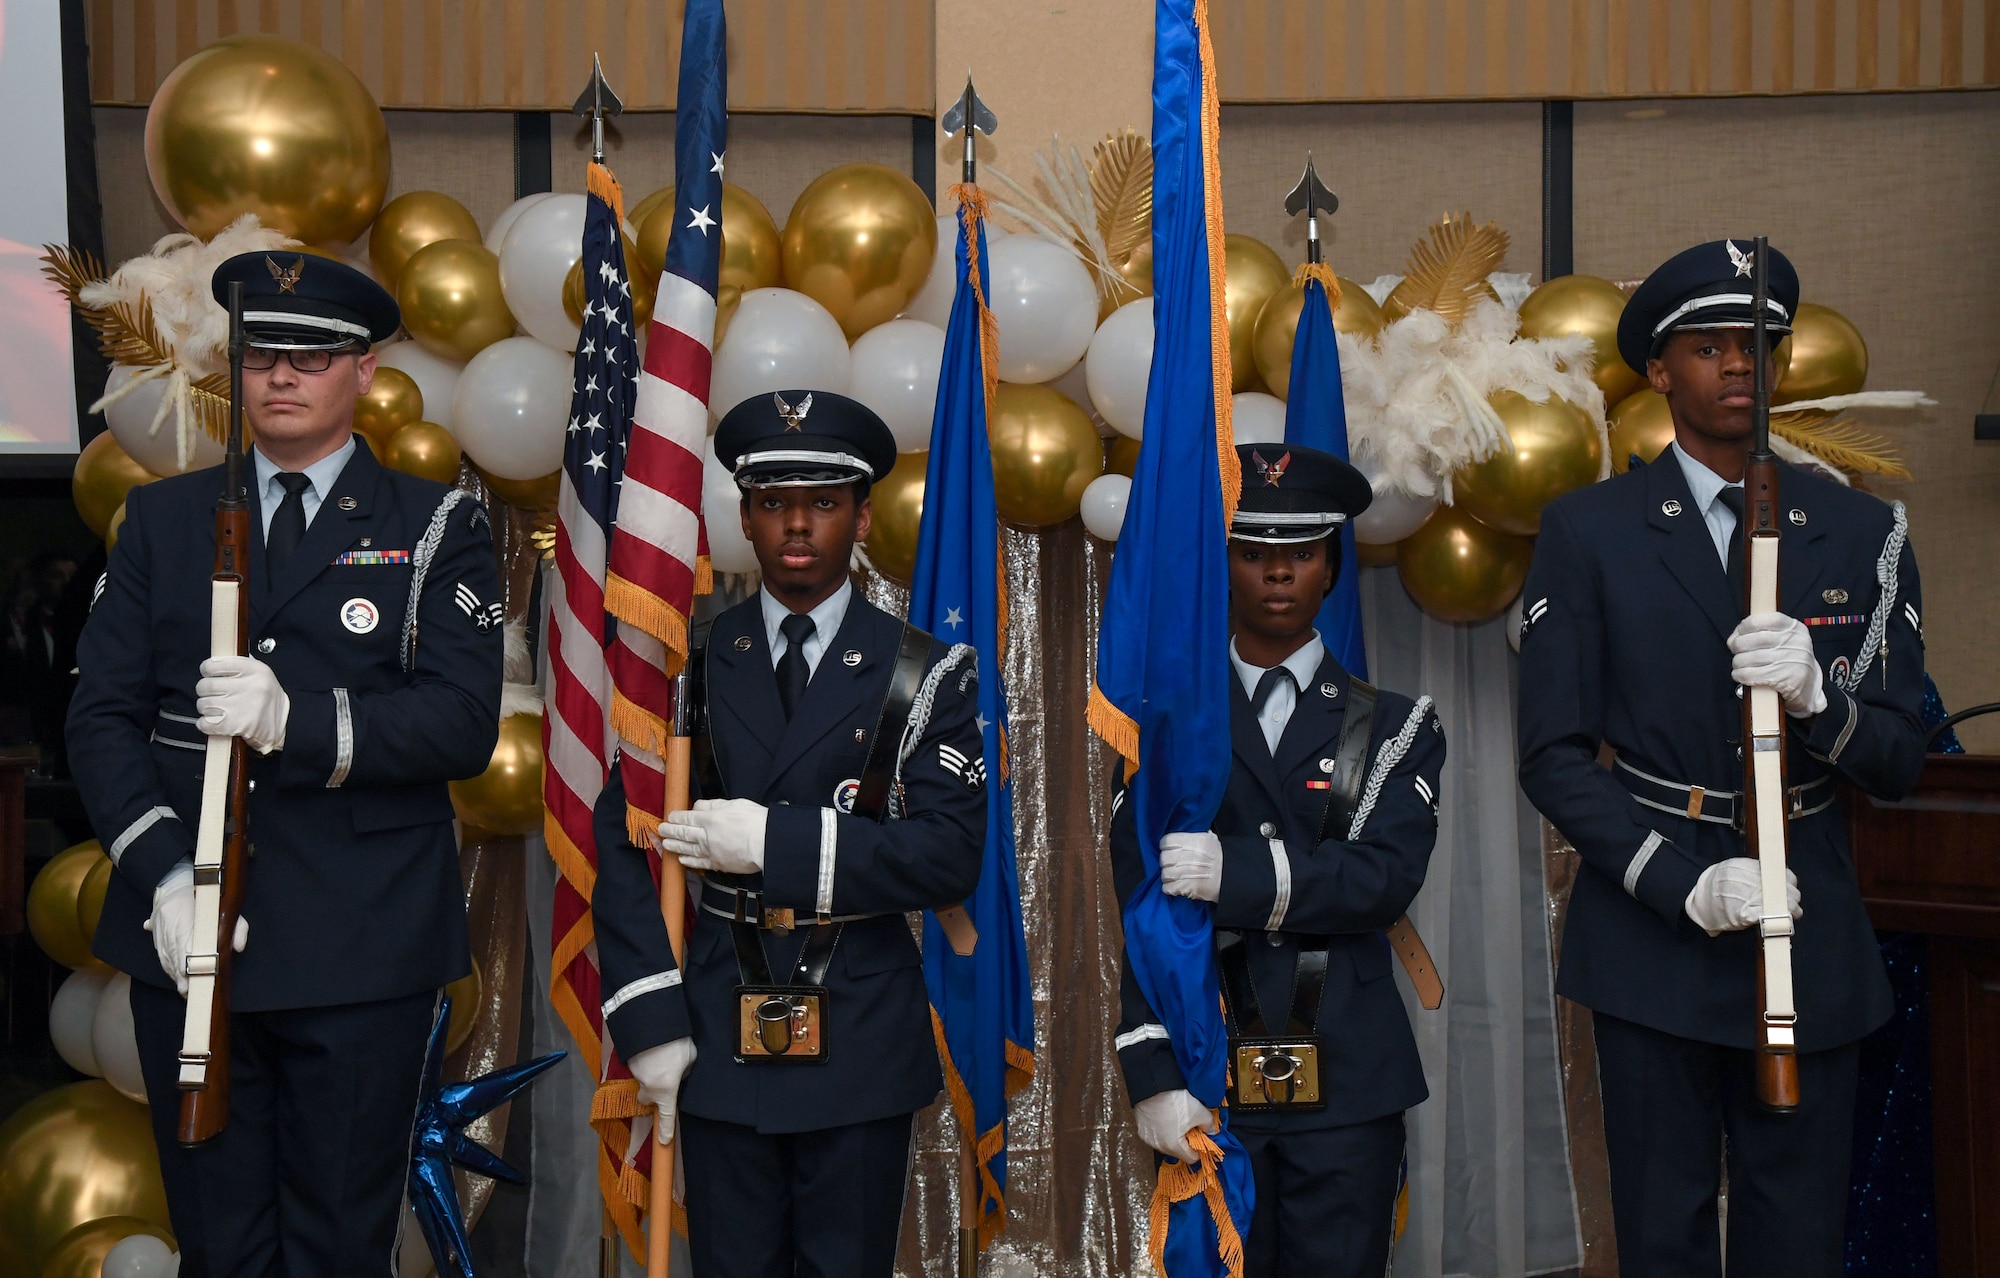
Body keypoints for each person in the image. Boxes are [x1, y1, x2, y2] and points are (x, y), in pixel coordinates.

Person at [66, 252, 504, 1276]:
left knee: (338, 1243)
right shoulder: (162, 523)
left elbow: (458, 724)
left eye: (313, 357)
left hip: (360, 946)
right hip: (188, 941)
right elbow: (100, 719)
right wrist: (168, 873)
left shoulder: (431, 526)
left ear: (363, 371)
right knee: (217, 1243)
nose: (283, 377)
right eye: (263, 354)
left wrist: (295, 722)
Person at [1517, 240, 1927, 1277]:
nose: (1740, 365)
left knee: (1795, 1238)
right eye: (1708, 348)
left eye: (1759, 345)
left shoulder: (1857, 529)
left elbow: (1895, 759)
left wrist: (1818, 697)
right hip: (1653, 928)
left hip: (1810, 919)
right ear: (1658, 372)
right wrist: (1679, 880)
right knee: (1661, 1234)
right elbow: (1551, 755)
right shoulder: (1589, 531)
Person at [591, 389, 986, 1278]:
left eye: (822, 502)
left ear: (862, 515)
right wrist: (650, 1020)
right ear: (744, 515)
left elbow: (950, 854)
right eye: (773, 503)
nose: (797, 525)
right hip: (716, 1024)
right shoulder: (691, 661)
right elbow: (624, 840)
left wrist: (778, 847)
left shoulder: (924, 671)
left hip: (858, 1028)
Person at [1108, 443, 1446, 1277]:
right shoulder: (1163, 727)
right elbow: (1144, 910)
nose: (1278, 573)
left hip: (1351, 1076)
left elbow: (1382, 880)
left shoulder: (1395, 725)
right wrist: (1150, 1068)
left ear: (1331, 566)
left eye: (1299, 552)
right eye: (1254, 553)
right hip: (1205, 1066)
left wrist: (1239, 877)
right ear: (1223, 565)